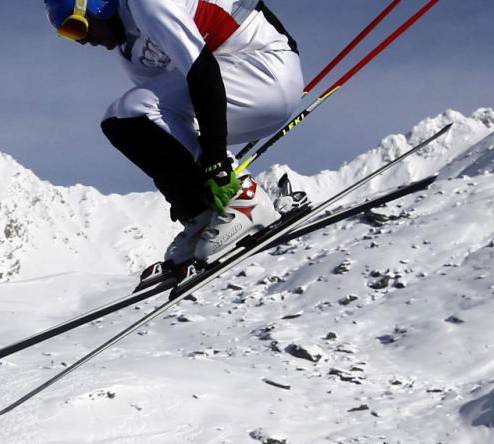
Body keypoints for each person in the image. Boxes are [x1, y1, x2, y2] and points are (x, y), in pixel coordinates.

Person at [44, 0, 304, 266]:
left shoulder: (146, 3)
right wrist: (191, 189)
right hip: (236, 88)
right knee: (118, 120)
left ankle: (243, 196)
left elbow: (202, 70)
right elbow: (170, 123)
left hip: (266, 68)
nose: (82, 41)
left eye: (76, 27)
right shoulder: (130, 54)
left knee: (138, 107)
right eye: (70, 35)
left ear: (99, 5)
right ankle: (201, 214)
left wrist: (216, 160)